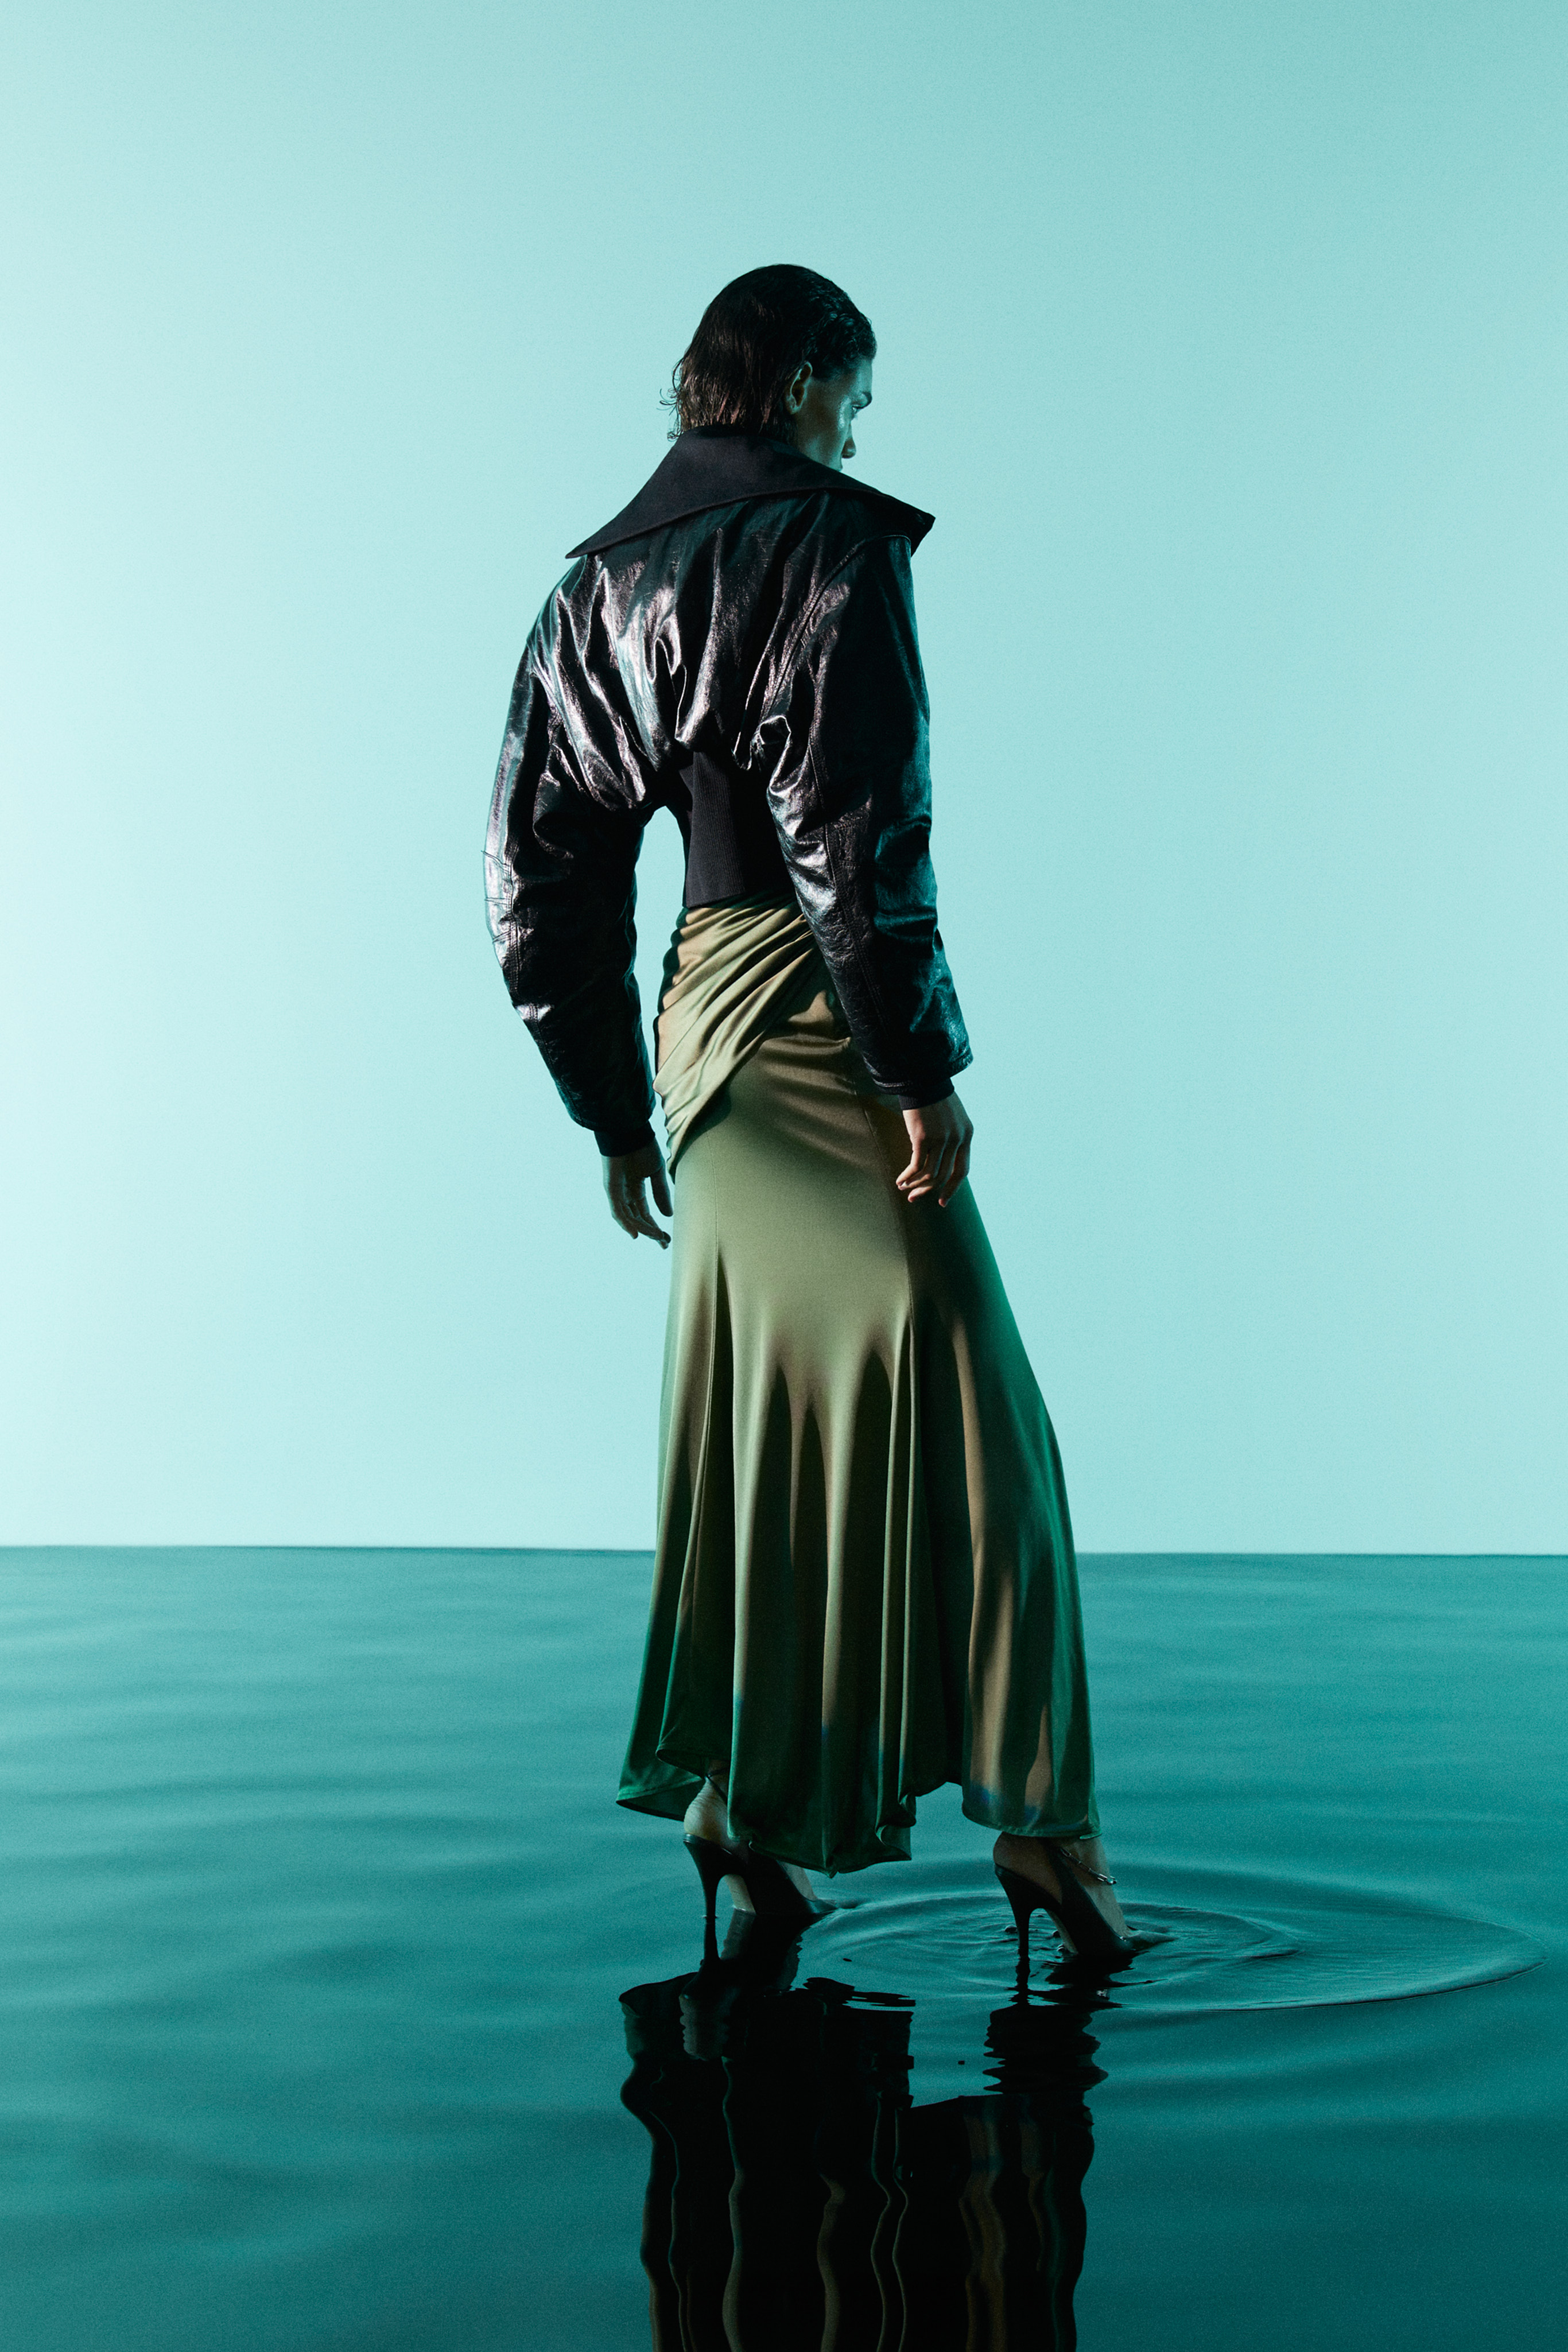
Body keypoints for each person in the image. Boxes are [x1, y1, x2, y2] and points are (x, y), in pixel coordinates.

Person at [485, 265, 1135, 1963]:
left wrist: (611, 1106)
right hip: (816, 1010)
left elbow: (540, 867)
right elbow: (856, 825)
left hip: (699, 1027)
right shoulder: (833, 541)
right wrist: (918, 1068)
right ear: (801, 385)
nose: (856, 431)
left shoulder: (595, 585)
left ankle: (741, 1801)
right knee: (990, 1428)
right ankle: (1046, 1826)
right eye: (853, 397)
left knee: (772, 1420)